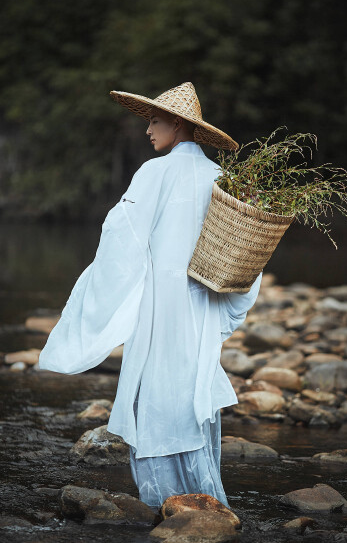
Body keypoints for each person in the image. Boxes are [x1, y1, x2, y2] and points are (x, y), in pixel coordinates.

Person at [38, 82, 263, 512]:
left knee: (156, 390)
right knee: (189, 386)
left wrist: (104, 299)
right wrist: (227, 310)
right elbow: (242, 255)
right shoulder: (222, 177)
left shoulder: (154, 173)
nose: (148, 131)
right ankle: (205, 501)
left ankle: (164, 501)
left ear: (177, 124)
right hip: (199, 304)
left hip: (161, 304)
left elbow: (121, 239)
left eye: (154, 121)